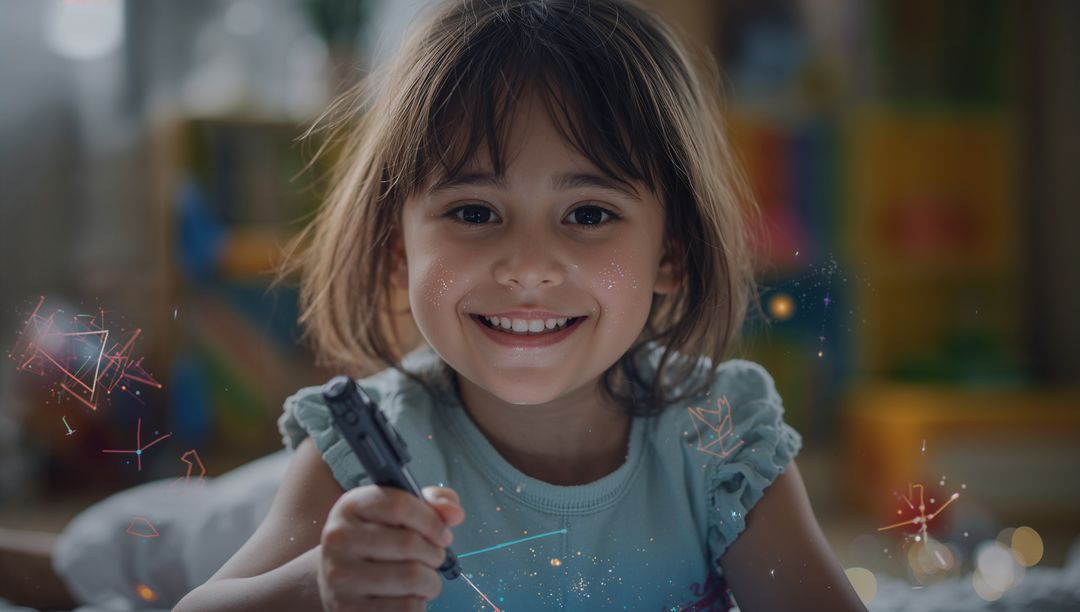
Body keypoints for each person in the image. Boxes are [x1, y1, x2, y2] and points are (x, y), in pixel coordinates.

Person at [176, 0, 867, 610]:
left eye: (589, 214)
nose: (529, 266)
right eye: (475, 211)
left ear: (670, 255)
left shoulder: (722, 439)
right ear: (397, 249)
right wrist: (316, 584)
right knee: (145, 542)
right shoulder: (362, 453)